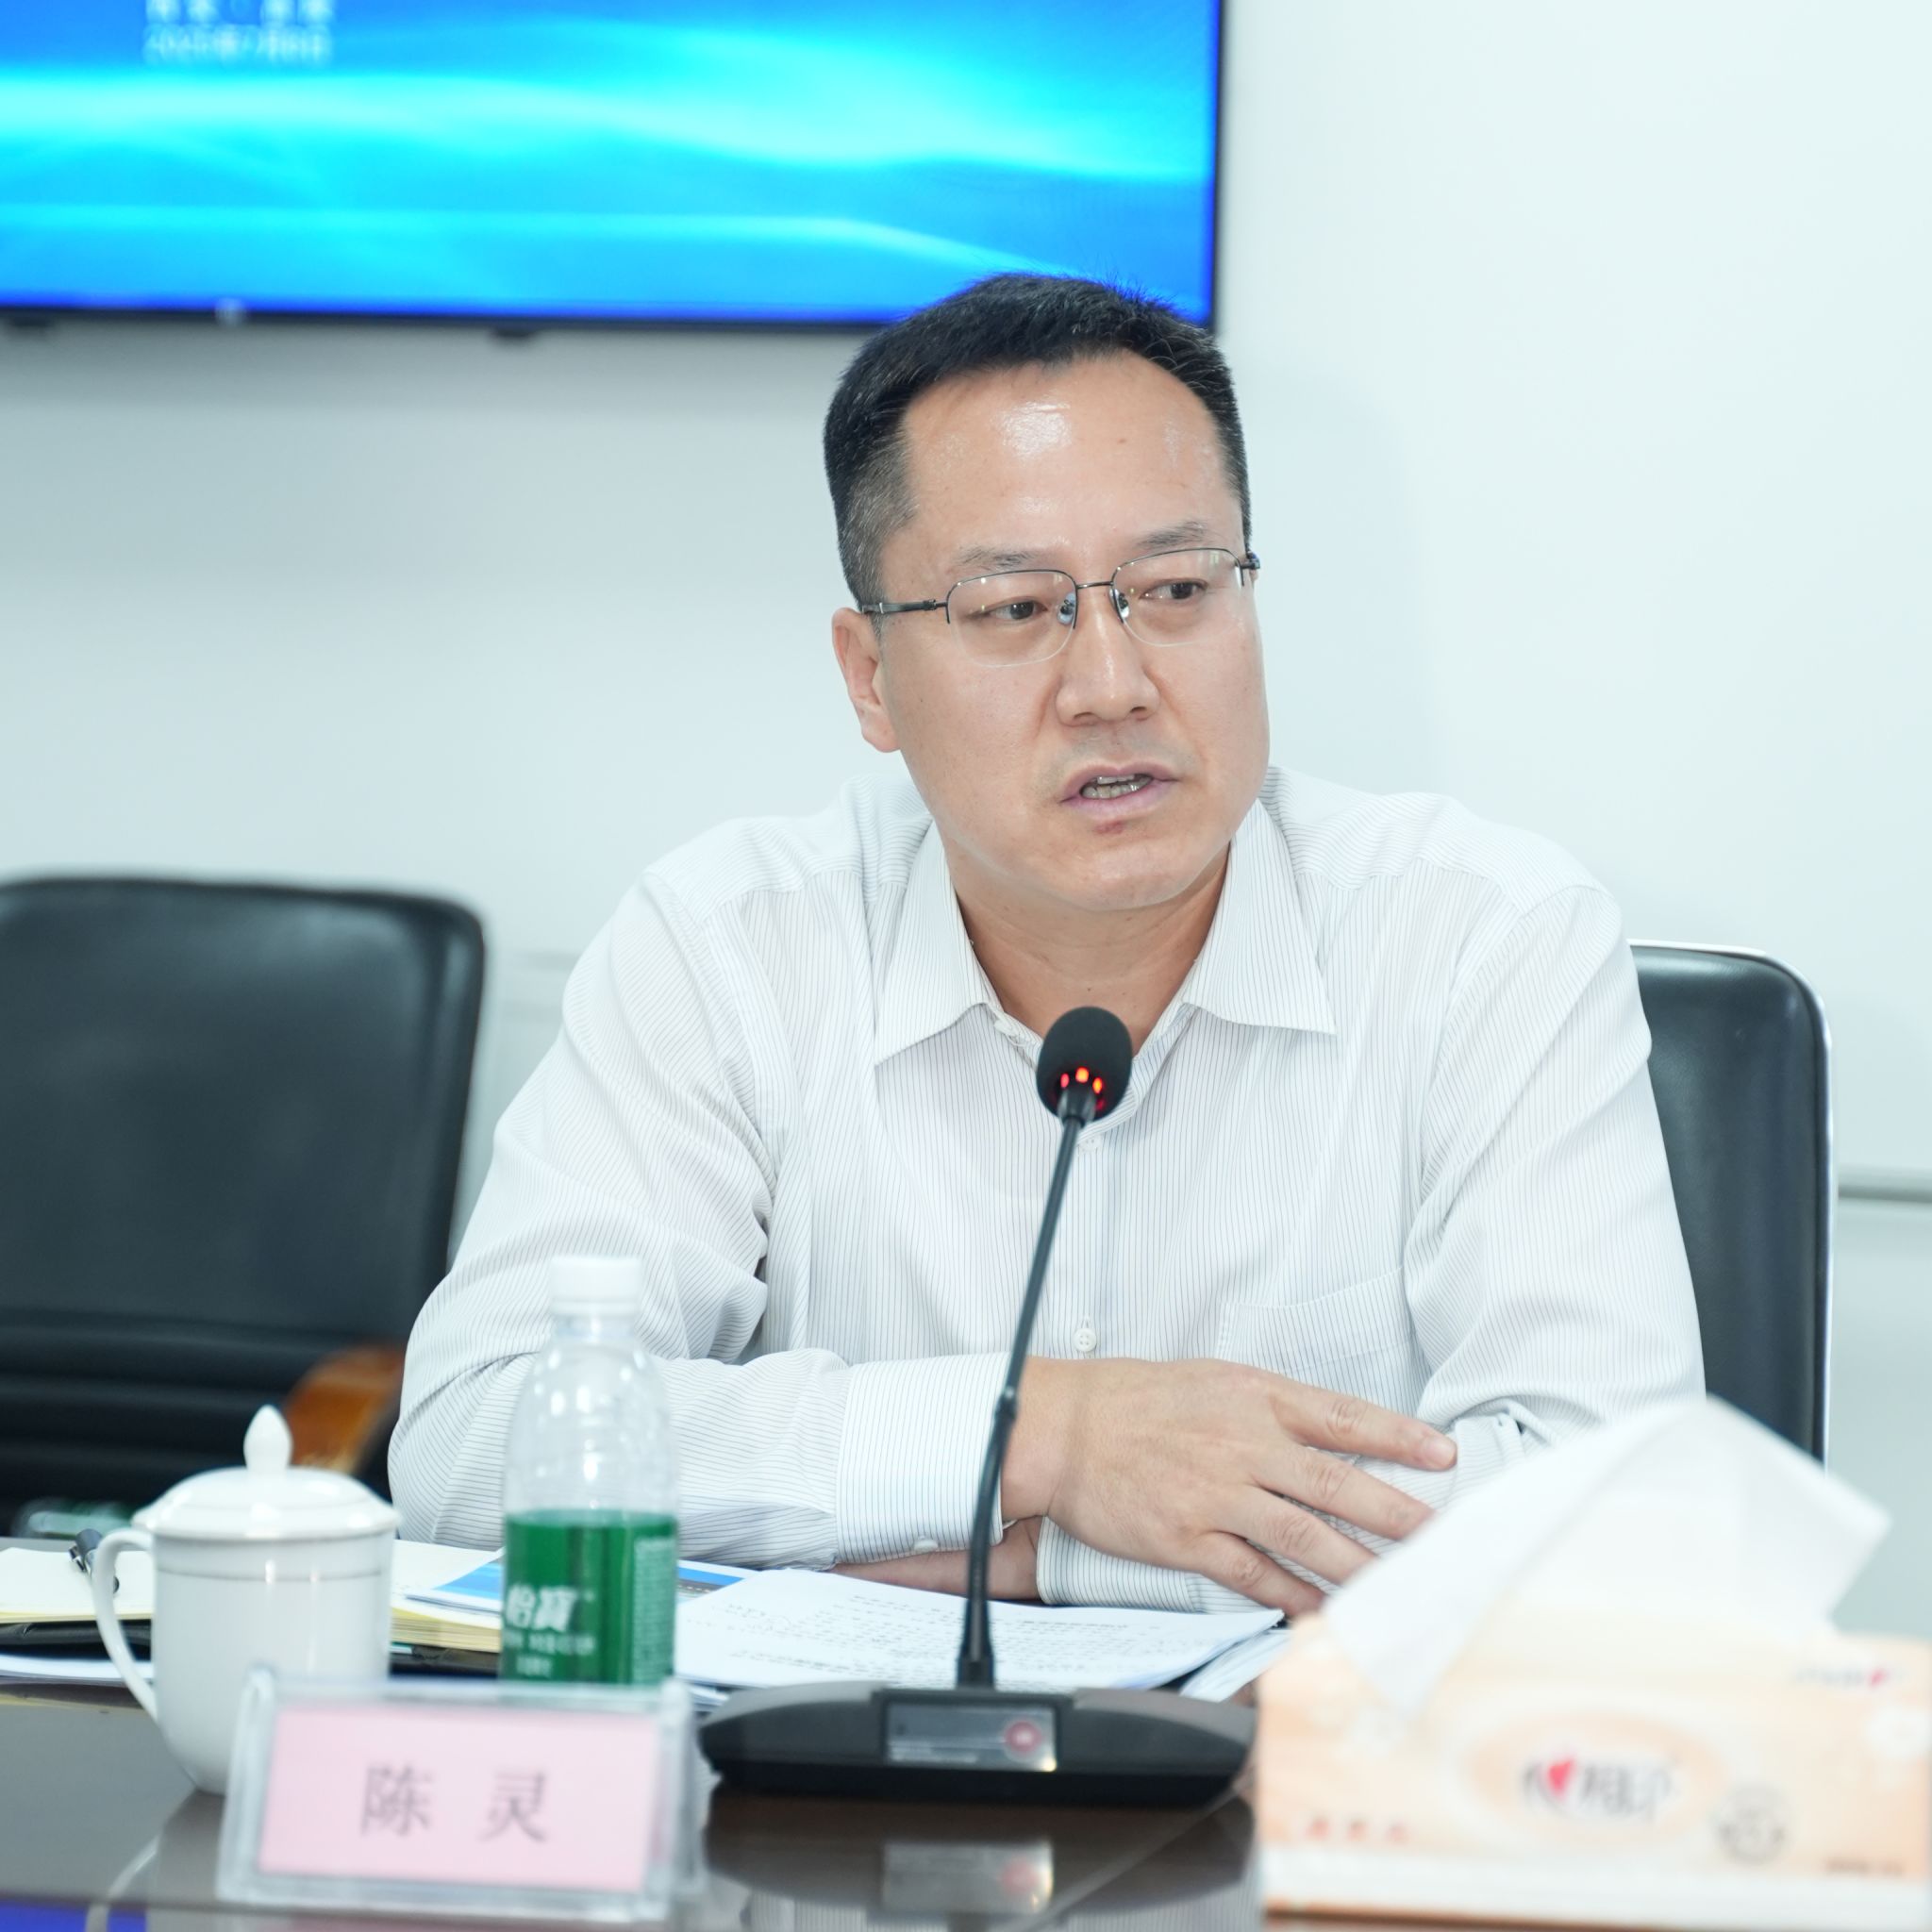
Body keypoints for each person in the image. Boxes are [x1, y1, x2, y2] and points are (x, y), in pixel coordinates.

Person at [391, 275, 1703, 1614]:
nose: (1113, 686)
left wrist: (1038, 1559)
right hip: (832, 1757)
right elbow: (476, 1444)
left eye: (1176, 587)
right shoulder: (727, 948)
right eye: (1017, 608)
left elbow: (1614, 1515)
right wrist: (1043, 1435)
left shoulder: (1486, 940)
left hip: (1308, 1750)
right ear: (869, 677)